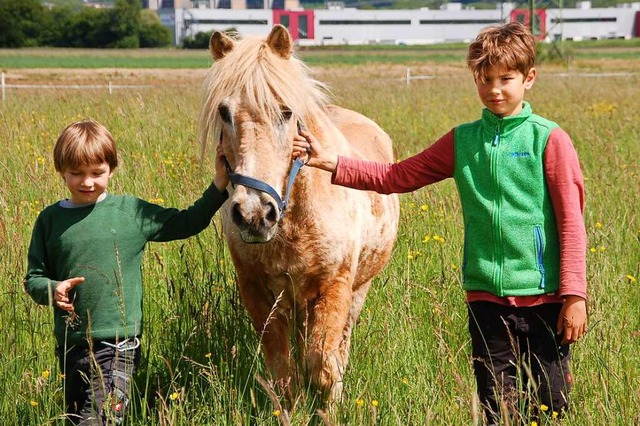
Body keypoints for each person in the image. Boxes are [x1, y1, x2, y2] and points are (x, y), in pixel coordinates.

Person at [293, 22, 587, 424]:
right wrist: (332, 162)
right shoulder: (463, 141)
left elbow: (572, 222)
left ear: (529, 78)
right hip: (485, 298)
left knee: (551, 404)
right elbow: (396, 176)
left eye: (506, 79)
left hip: (545, 298)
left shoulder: (549, 140)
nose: (495, 89)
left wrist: (575, 296)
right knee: (497, 408)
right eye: (485, 80)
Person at [23, 119, 229, 425]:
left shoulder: (131, 213)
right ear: (61, 170)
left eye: (97, 173)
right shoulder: (49, 220)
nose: (87, 182)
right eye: (77, 173)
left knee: (98, 421)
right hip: (72, 347)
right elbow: (33, 277)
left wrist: (219, 185)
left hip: (120, 346)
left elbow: (189, 221)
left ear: (112, 169)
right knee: (77, 418)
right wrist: (52, 290)